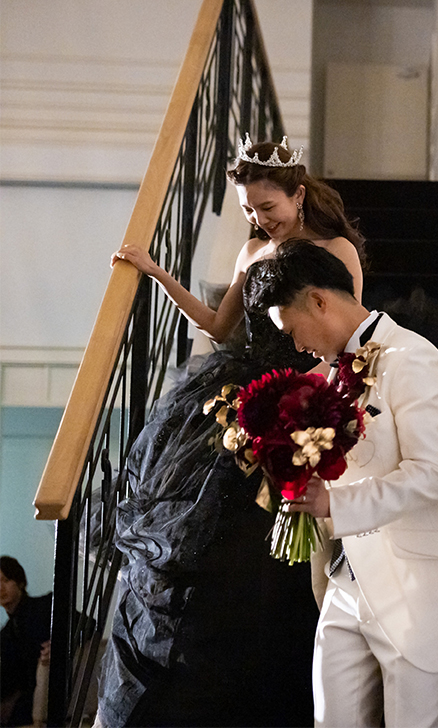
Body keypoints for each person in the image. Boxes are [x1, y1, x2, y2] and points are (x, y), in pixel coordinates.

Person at [97, 137, 365, 728]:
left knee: (272, 551)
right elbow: (221, 328)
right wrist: (158, 274)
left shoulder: (335, 249)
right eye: (248, 209)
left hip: (302, 392)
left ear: (298, 194)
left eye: (267, 207)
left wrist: (312, 407)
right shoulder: (252, 250)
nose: (259, 219)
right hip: (239, 394)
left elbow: (344, 337)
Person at [248, 239, 438, 728]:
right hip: (345, 581)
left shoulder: (414, 359)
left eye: (292, 330)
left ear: (319, 300)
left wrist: (333, 504)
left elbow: (433, 474)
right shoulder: (330, 377)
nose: (296, 347)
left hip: (415, 587)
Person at [0, 557, 51, 727]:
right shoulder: (6, 634)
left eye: (5, 580)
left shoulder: (45, 606)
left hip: (53, 697)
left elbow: (88, 626)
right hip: (23, 707)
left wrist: (60, 644)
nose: (0, 588)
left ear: (20, 583)